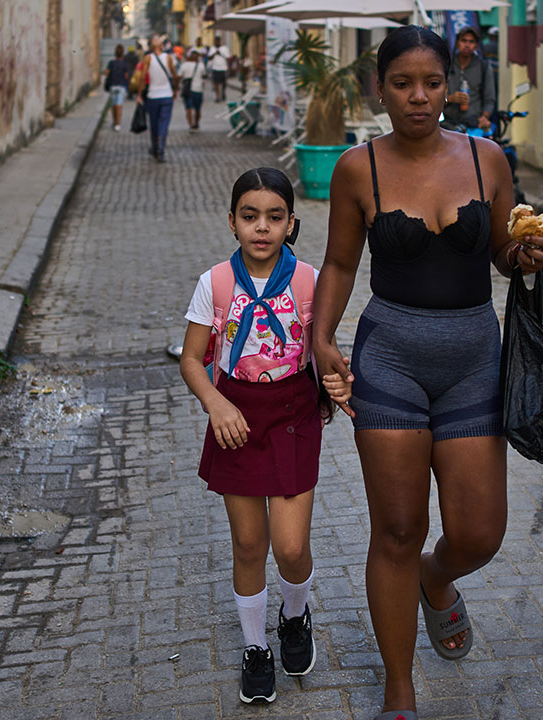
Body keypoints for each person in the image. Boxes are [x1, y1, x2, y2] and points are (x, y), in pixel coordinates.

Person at [312, 26, 543, 720]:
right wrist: (319, 337)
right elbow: (338, 264)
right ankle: (398, 689)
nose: (419, 97)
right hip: (391, 354)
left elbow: (507, 250)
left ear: (451, 84)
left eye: (431, 82)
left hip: (475, 355)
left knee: (479, 532)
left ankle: (436, 579)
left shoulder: (488, 160)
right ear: (379, 88)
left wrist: (524, 257)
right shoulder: (359, 169)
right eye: (402, 83)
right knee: (395, 527)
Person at [179, 167, 340, 705]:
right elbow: (192, 359)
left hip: (293, 414)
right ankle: (255, 648)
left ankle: (295, 617)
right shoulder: (215, 283)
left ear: (291, 223)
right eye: (250, 217)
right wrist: (215, 402)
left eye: (274, 217)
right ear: (232, 222)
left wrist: (339, 382)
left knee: (291, 547)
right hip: (236, 418)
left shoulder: (311, 281)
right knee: (249, 543)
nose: (262, 228)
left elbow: (324, 347)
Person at [442, 27, 495, 131]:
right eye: (464, 40)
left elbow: (489, 99)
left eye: (471, 42)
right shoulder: (446, 65)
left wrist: (484, 117)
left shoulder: (483, 67)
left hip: (473, 125)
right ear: (457, 43)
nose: (467, 45)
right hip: (447, 124)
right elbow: (435, 95)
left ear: (476, 46)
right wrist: (450, 98)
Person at [140, 35, 178, 162]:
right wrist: (175, 90)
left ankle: (155, 147)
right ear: (161, 46)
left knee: (154, 124)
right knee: (164, 124)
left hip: (153, 96)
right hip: (167, 95)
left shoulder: (148, 58)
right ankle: (161, 147)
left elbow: (142, 77)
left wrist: (139, 94)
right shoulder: (168, 58)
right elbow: (174, 75)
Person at [105, 44, 132, 132]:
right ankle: (117, 124)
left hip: (113, 85)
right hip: (121, 86)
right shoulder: (124, 64)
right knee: (119, 106)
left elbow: (107, 73)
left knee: (113, 105)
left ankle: (114, 121)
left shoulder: (111, 63)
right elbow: (127, 76)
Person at [179, 48, 208, 131]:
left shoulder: (184, 65)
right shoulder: (201, 65)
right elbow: (204, 75)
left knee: (188, 108)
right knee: (198, 109)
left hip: (187, 90)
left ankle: (191, 124)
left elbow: (179, 76)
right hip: (198, 89)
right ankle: (196, 123)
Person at [209, 36, 232, 102]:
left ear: (220, 41)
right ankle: (217, 97)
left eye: (218, 40)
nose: (217, 42)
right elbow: (209, 58)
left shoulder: (225, 48)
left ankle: (223, 93)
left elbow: (228, 58)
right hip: (215, 68)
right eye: (216, 41)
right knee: (216, 83)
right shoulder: (212, 49)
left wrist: (221, 53)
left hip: (223, 68)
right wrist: (215, 53)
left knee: (223, 83)